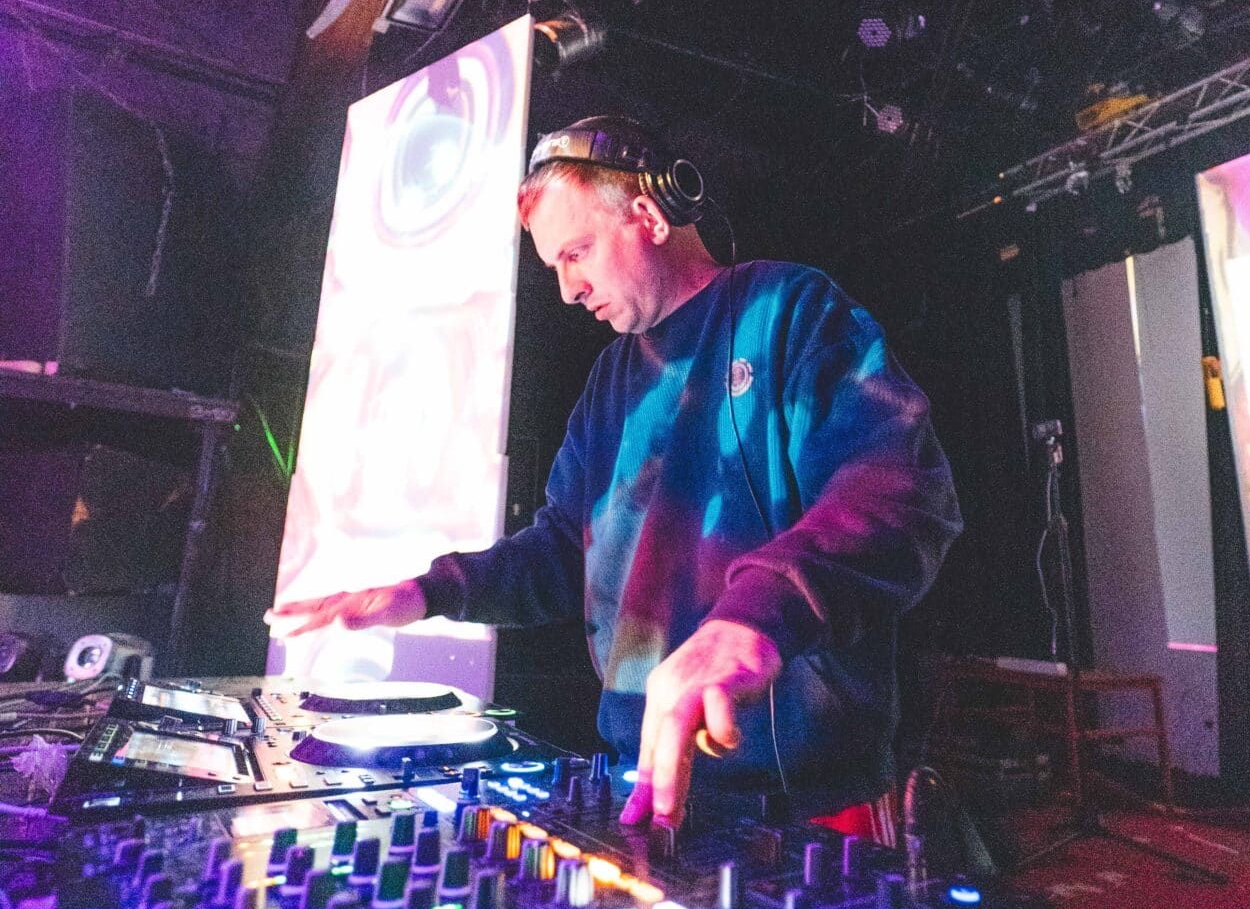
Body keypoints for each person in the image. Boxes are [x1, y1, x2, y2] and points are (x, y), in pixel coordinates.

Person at [269, 117, 962, 836]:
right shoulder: (611, 379)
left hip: (809, 805)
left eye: (576, 253)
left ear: (649, 214)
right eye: (555, 266)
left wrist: (752, 620)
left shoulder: (787, 310)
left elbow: (896, 491)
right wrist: (428, 591)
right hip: (644, 783)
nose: (568, 289)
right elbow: (562, 551)